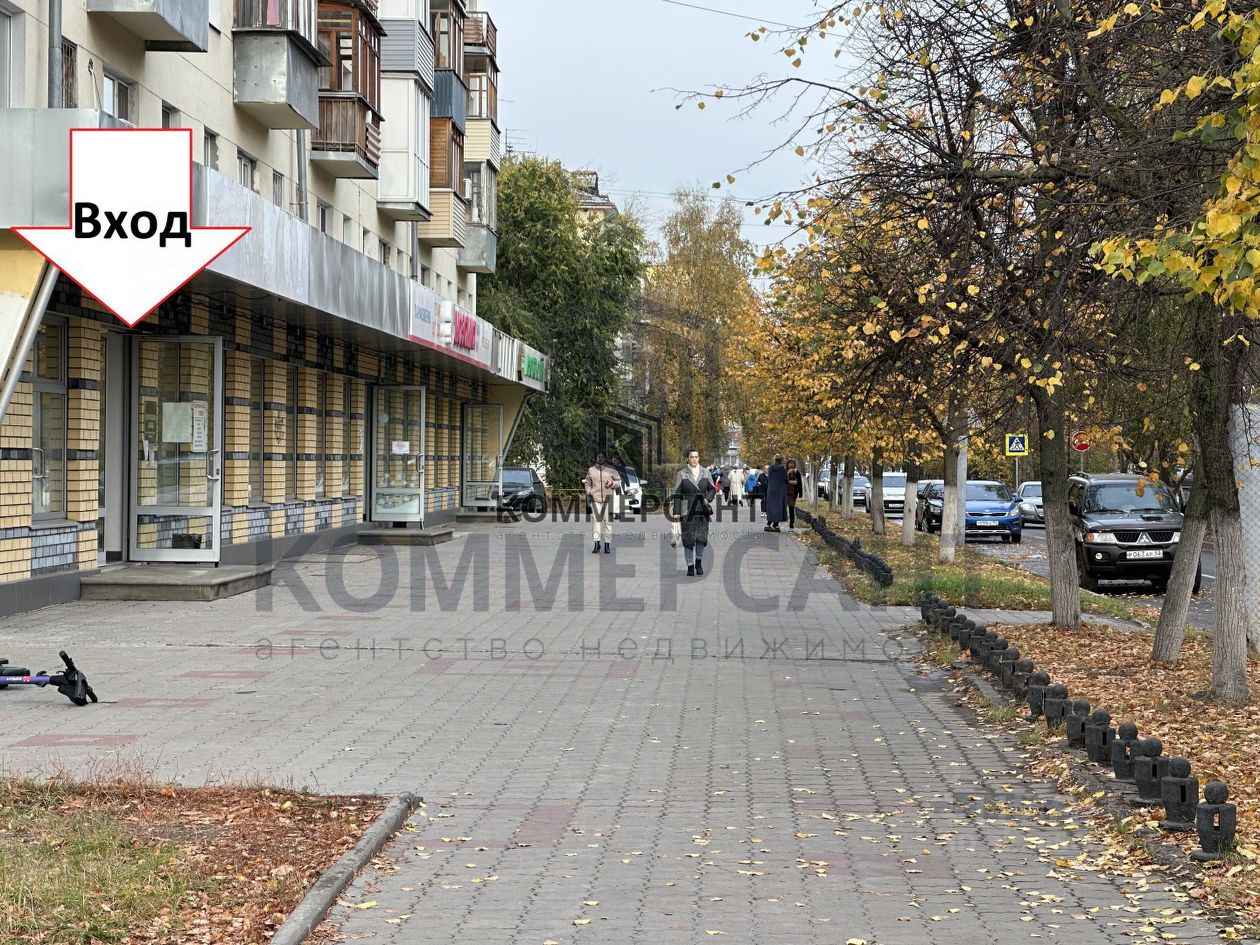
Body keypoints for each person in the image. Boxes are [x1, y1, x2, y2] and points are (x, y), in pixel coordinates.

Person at [671, 448, 717, 576]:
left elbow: (712, 489)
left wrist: (707, 499)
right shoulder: (682, 473)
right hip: (687, 511)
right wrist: (676, 512)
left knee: (701, 539)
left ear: (699, 458)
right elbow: (677, 494)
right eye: (692, 457)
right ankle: (690, 566)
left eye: (696, 457)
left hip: (702, 510)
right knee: (688, 540)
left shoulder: (706, 472)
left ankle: (698, 563)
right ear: (688, 459)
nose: (694, 459)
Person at [584, 453, 620, 554]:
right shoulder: (591, 470)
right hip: (595, 499)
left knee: (608, 522)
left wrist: (612, 483)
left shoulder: (611, 469)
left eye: (602, 457)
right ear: (596, 458)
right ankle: (596, 543)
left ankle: (607, 544)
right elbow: (587, 483)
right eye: (598, 457)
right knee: (596, 521)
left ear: (605, 458)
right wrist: (589, 492)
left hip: (608, 499)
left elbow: (618, 482)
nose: (600, 458)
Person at [764, 454, 788, 532]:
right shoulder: (783, 469)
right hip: (780, 490)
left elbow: (769, 479)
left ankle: (769, 524)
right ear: (781, 460)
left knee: (771, 507)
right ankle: (776, 525)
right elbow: (786, 480)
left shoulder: (770, 469)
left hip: (771, 490)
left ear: (774, 460)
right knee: (779, 506)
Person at [786, 458, 804, 529]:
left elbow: (798, 483)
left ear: (795, 465)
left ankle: (791, 525)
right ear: (787, 464)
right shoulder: (784, 471)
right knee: (781, 508)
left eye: (793, 463)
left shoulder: (796, 472)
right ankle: (776, 523)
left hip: (792, 493)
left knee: (791, 508)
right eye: (790, 463)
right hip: (784, 492)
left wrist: (800, 493)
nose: (791, 464)